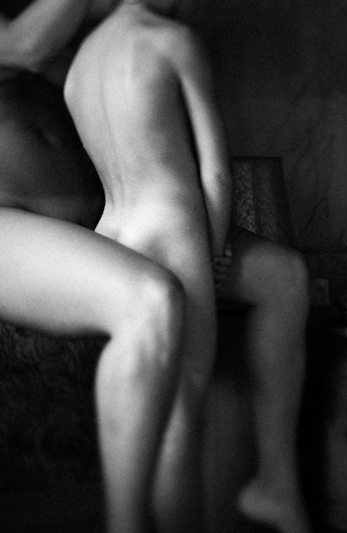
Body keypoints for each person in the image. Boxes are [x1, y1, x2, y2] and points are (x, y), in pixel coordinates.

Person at [64, 1, 311, 532]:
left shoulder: (82, 62)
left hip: (112, 234)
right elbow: (216, 172)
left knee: (153, 407)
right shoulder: (171, 41)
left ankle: (273, 484)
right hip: (173, 231)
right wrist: (215, 251)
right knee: (180, 414)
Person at [1, 1, 187, 532]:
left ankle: (264, 491)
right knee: (150, 303)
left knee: (251, 291)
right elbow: (23, 47)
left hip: (105, 214)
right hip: (8, 221)